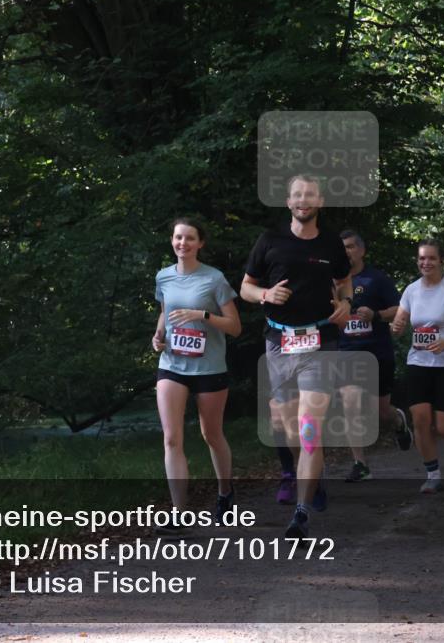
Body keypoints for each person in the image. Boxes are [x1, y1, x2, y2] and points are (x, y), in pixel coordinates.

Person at [241, 175, 352, 539]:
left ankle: (301, 515)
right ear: (288, 202)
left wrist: (347, 303)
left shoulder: (332, 242)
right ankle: (312, 476)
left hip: (320, 341)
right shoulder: (269, 241)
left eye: (310, 195)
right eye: (297, 195)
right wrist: (264, 295)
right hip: (279, 343)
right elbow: (245, 287)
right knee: (289, 427)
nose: (303, 201)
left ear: (320, 201)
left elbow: (345, 280)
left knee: (308, 429)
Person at [152, 217, 241, 533]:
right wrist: (158, 335)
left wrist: (202, 315)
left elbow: (235, 326)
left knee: (211, 435)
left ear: (200, 243)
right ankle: (178, 514)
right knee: (172, 438)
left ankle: (225, 493)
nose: (182, 244)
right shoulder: (163, 276)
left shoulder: (214, 279)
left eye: (189, 238)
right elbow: (165, 309)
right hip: (172, 365)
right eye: (178, 238)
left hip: (209, 367)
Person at [391, 239, 444, 494]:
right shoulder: (411, 290)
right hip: (418, 361)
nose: (425, 263)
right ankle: (433, 473)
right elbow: (399, 324)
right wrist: (395, 328)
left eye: (430, 258)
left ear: (441, 261)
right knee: (419, 420)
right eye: (421, 259)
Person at [337, 229, 413, 483]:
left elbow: (401, 309)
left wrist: (377, 315)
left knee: (380, 411)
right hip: (347, 352)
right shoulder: (333, 283)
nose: (346, 252)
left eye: (350, 247)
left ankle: (399, 421)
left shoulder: (376, 279)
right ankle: (360, 464)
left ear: (361, 250)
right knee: (349, 402)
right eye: (342, 248)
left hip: (377, 351)